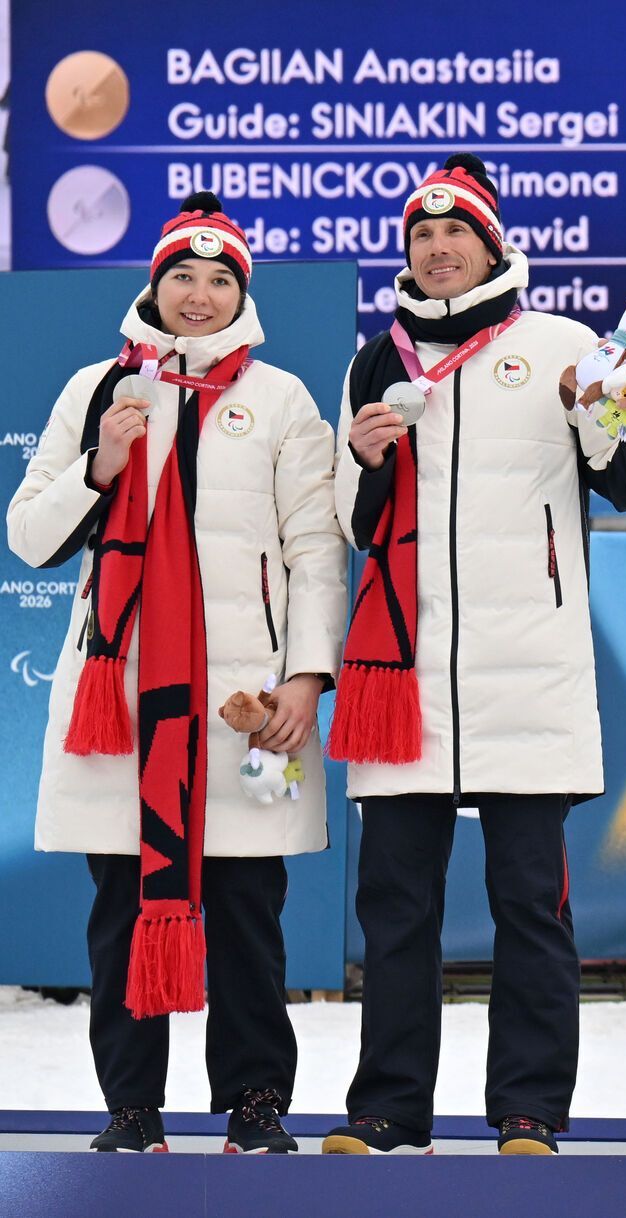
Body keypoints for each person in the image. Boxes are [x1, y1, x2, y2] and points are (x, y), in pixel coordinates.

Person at [321, 154, 626, 1156]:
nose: (437, 250)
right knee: (395, 909)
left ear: (490, 244)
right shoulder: (375, 361)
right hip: (402, 676)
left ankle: (528, 1109)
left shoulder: (562, 344)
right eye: (419, 237)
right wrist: (359, 464)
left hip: (527, 671)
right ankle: (388, 1109)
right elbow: (352, 521)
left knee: (530, 905)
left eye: (456, 234)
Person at [6, 194, 345, 1152]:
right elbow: (29, 538)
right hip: (120, 702)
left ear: (243, 293)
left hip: (247, 705)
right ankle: (131, 1106)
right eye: (182, 278)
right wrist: (100, 463)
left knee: (247, 910)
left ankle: (255, 1102)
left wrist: (306, 679)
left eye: (220, 279)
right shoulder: (96, 388)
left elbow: (316, 547)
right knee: (122, 906)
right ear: (153, 287)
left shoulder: (279, 399)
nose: (199, 296)